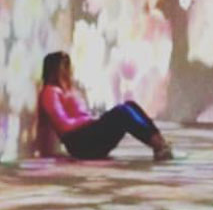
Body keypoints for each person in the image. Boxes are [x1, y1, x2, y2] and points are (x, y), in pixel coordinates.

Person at [36, 51, 174, 161]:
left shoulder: (69, 90)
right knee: (121, 112)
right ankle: (158, 145)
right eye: (63, 66)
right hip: (79, 143)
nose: (68, 70)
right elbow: (62, 125)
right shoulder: (50, 91)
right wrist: (89, 121)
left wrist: (92, 120)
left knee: (129, 105)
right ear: (54, 70)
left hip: (87, 134)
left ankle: (160, 142)